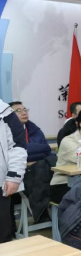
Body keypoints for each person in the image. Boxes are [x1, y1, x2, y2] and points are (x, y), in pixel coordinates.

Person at [0, 100, 27, 243]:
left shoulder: (5, 112)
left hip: (1, 183)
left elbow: (18, 146)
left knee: (2, 234)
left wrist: (14, 177)